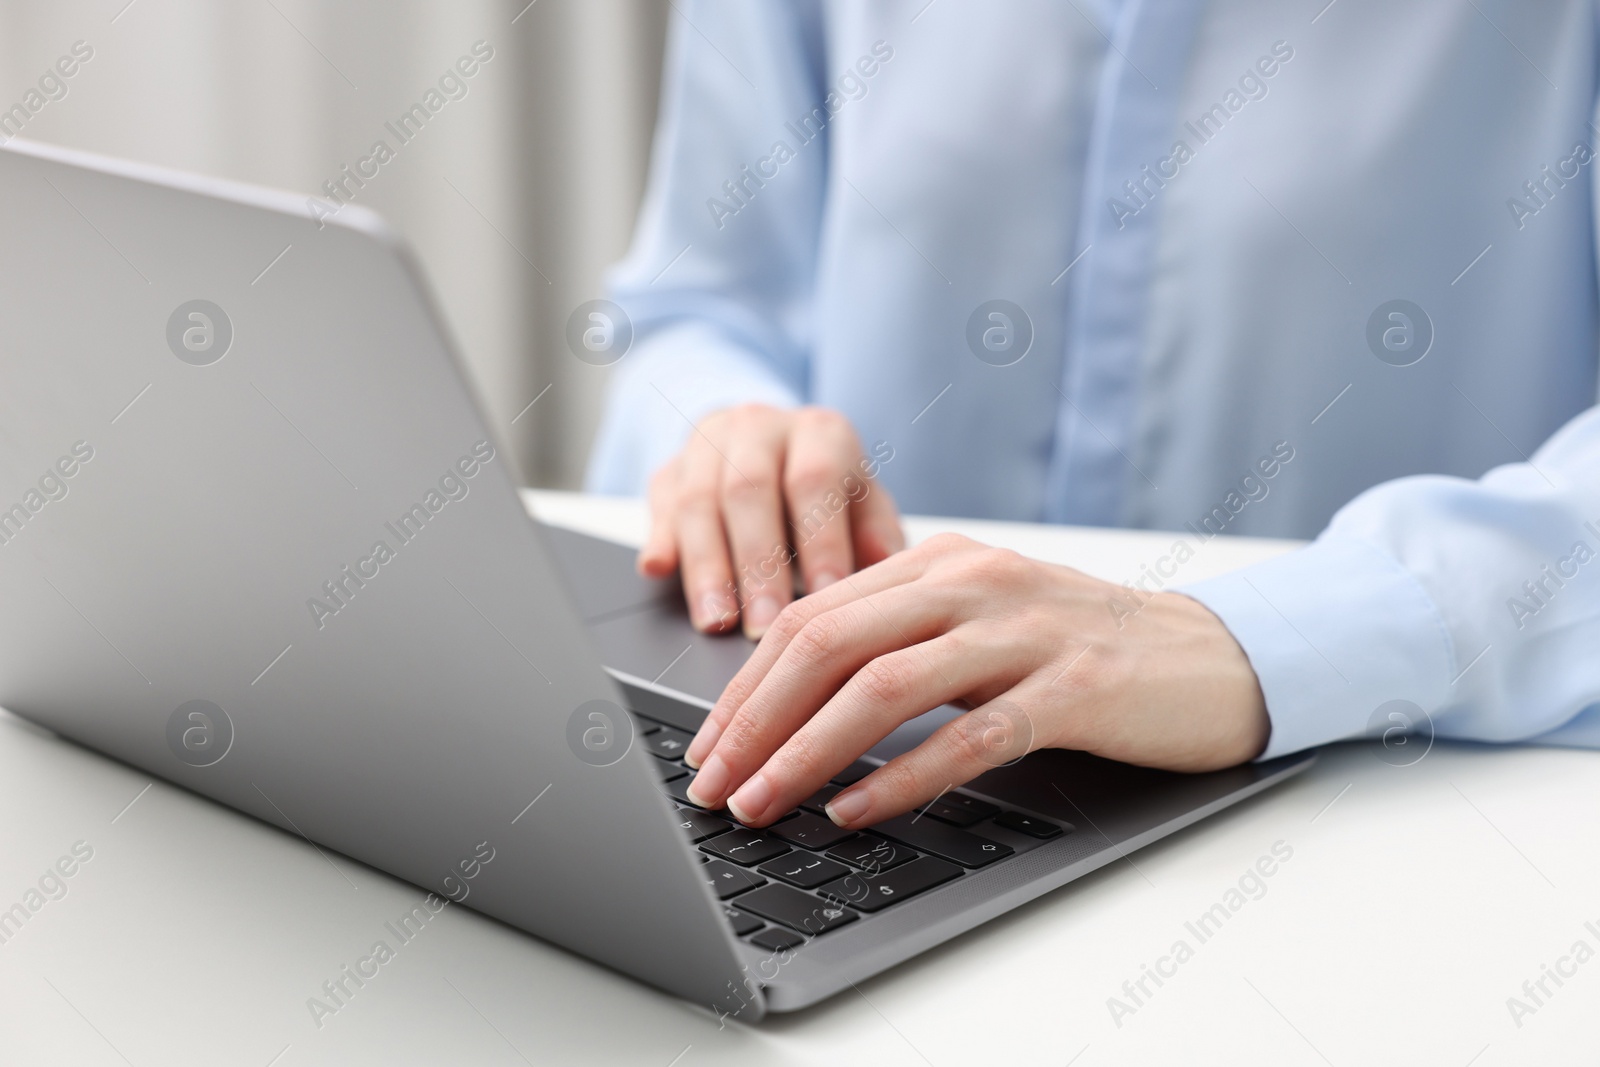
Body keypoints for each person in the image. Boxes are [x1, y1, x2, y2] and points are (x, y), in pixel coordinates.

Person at [584, 2, 1600, 831]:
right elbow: (694, 304)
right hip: (869, 784)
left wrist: (1262, 639)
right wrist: (725, 430)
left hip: (1377, 807)